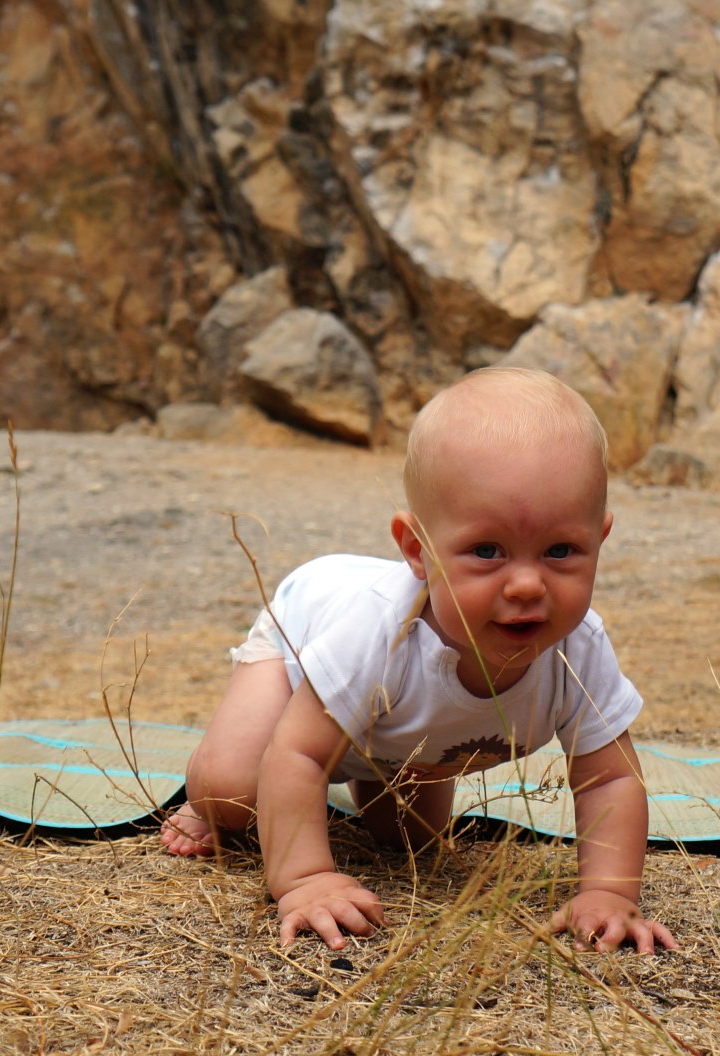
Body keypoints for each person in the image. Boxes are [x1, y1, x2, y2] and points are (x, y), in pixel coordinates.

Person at [161, 367, 675, 955]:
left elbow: (608, 778)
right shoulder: (377, 633)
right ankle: (200, 798)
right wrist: (305, 880)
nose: (529, 584)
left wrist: (609, 892)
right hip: (301, 644)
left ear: (599, 539)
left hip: (405, 737)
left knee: (412, 842)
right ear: (417, 550)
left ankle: (369, 773)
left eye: (561, 550)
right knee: (235, 789)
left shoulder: (577, 648)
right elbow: (298, 751)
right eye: (487, 551)